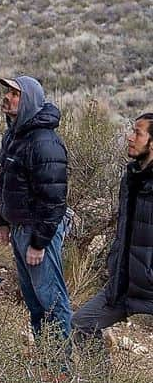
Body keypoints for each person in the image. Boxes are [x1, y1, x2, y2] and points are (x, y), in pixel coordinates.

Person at [0, 74, 72, 342]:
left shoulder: (44, 142)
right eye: (8, 93)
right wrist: (3, 221)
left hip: (38, 231)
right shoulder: (14, 135)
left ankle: (61, 368)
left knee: (51, 299)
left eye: (15, 94)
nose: (8, 97)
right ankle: (44, 359)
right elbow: (7, 181)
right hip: (20, 229)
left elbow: (54, 199)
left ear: (30, 100)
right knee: (34, 300)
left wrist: (39, 243)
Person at [73, 112, 153, 342]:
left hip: (149, 287)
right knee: (81, 324)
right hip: (124, 285)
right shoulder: (131, 177)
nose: (130, 138)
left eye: (137, 133)